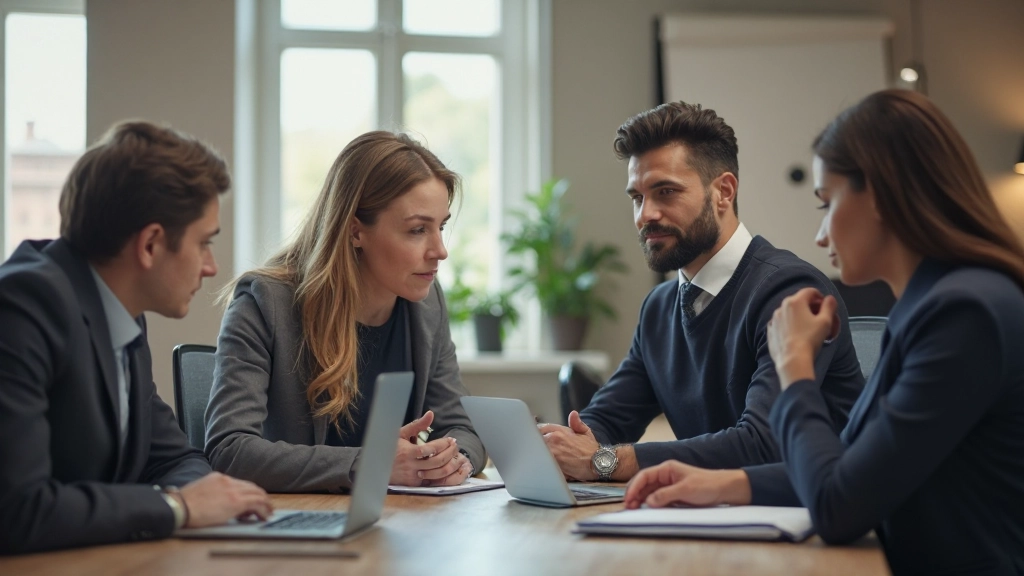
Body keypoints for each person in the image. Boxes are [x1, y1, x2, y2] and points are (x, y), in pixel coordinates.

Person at [625, 90, 1024, 575]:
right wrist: (719, 485)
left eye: (826, 204)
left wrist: (794, 365)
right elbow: (851, 467)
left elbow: (839, 505)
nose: (820, 235)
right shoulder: (929, 306)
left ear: (880, 196)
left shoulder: (965, 313)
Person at [540, 101, 864, 482]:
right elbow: (608, 419)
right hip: (711, 510)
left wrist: (605, 461)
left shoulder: (788, 292)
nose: (645, 215)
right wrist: (562, 446)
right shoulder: (659, 308)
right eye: (637, 197)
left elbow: (764, 444)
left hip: (806, 512)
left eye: (665, 192)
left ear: (723, 192)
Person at [0, 121, 272, 555]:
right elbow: (18, 509)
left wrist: (204, 501)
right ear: (150, 245)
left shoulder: (120, 314)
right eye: (204, 243)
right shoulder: (24, 306)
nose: (211, 267)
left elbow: (174, 458)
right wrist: (177, 507)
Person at [205, 131, 485, 492]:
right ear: (355, 232)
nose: (440, 251)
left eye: (441, 226)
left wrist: (453, 462)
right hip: (299, 519)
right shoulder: (265, 303)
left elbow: (462, 428)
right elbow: (230, 450)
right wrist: (370, 465)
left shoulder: (428, 305)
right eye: (417, 230)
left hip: (396, 517)